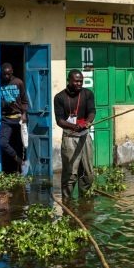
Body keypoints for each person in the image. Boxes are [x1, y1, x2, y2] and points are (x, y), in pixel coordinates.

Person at [54, 69, 96, 197]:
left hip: (84, 136)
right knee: (70, 173)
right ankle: (67, 201)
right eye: (76, 81)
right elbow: (59, 120)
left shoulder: (88, 94)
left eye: (81, 81)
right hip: (69, 137)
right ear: (69, 80)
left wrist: (87, 122)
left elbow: (92, 112)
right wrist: (74, 126)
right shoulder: (60, 97)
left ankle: (85, 200)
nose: (79, 84)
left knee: (88, 173)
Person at [0, 63, 28, 174]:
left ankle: (20, 170)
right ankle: (19, 162)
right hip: (6, 119)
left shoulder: (18, 82)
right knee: (3, 143)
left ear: (12, 72)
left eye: (8, 74)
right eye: (4, 74)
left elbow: (24, 100)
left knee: (20, 145)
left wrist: (24, 114)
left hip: (18, 119)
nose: (6, 76)